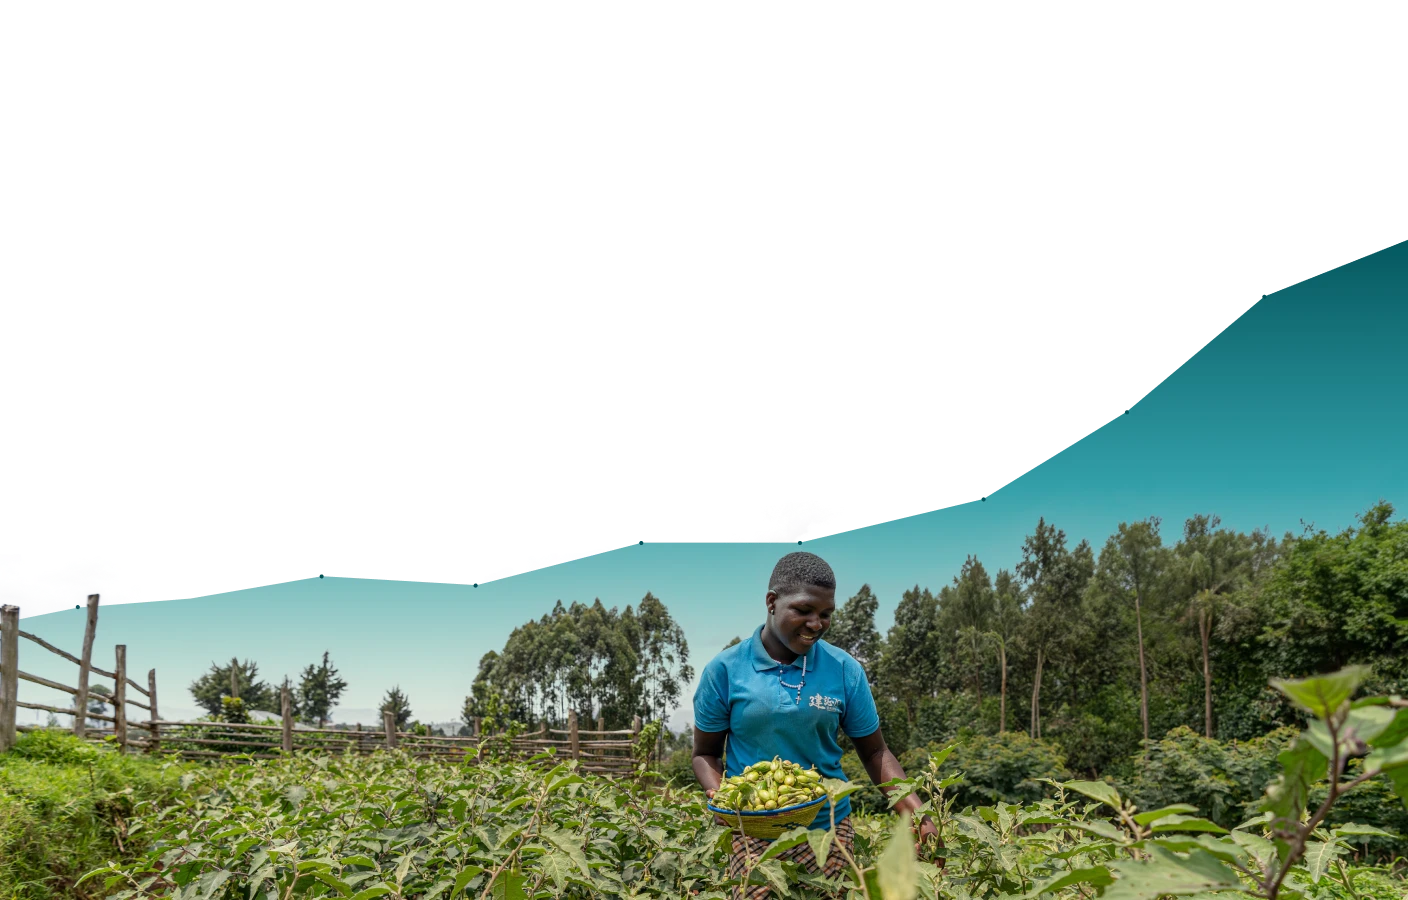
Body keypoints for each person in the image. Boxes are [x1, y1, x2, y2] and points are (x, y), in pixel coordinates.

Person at [692, 551, 942, 899]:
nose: (816, 624)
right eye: (804, 610)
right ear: (772, 602)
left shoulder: (843, 669)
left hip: (828, 832)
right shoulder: (725, 670)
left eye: (826, 614)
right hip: (752, 834)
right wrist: (722, 798)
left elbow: (875, 752)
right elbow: (704, 754)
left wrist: (917, 814)